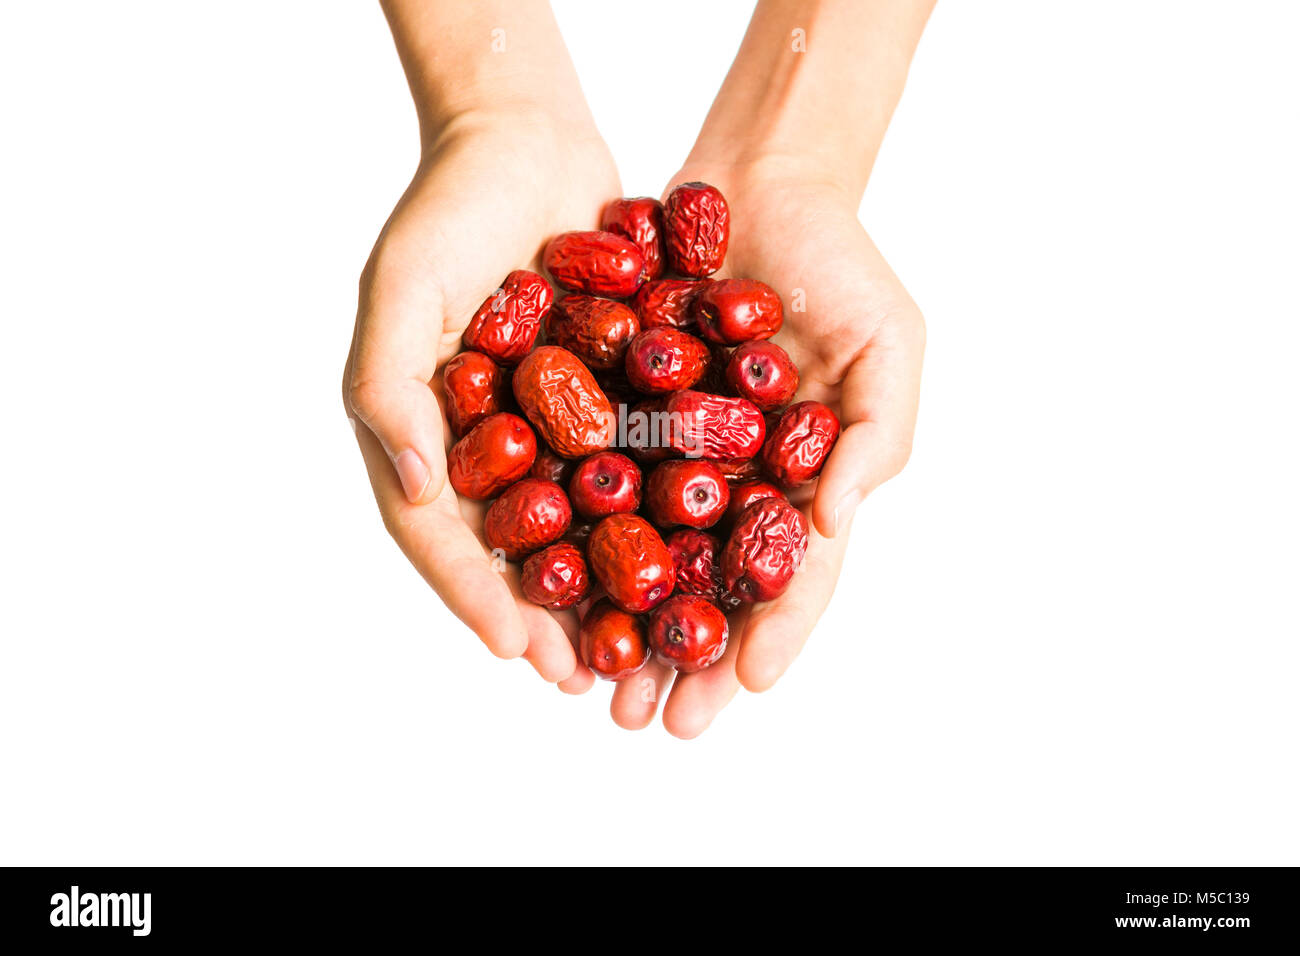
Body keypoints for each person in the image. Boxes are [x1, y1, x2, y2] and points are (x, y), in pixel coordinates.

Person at [343, 0, 931, 737]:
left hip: (654, 455)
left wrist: (796, 162)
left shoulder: (661, 374)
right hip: (619, 440)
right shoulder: (603, 375)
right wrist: (491, 115)